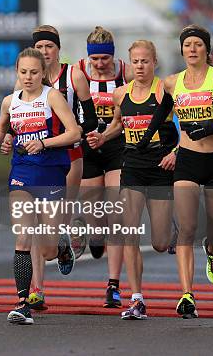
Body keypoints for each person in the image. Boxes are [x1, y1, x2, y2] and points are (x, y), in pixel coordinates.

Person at [138, 24, 213, 318]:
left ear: (206, 50)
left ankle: (212, 250)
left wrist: (211, 128)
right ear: (182, 49)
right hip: (187, 160)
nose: (192, 49)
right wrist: (146, 140)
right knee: (186, 229)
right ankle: (187, 294)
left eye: (198, 44)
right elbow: (161, 113)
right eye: (187, 44)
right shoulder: (172, 83)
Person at [0, 48, 81, 325]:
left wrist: (44, 143)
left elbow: (75, 133)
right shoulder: (10, 101)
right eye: (23, 72)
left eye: (34, 72)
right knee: (23, 236)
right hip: (22, 172)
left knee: (47, 250)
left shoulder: (53, 97)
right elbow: (2, 127)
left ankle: (60, 246)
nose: (28, 77)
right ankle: (23, 303)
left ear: (42, 74)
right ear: (17, 72)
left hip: (51, 171)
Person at [2, 25, 97, 310]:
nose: (45, 52)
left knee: (50, 237)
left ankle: (62, 243)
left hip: (69, 152)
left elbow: (89, 119)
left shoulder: (73, 75)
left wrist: (62, 137)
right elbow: (11, 121)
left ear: (57, 50)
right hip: (29, 162)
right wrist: (7, 138)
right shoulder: (24, 81)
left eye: (49, 47)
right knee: (28, 229)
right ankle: (36, 290)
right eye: (40, 47)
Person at [87, 40, 178, 320]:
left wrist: (175, 152)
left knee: (160, 243)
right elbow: (118, 124)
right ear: (130, 63)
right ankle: (137, 298)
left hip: (161, 166)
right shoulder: (120, 94)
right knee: (129, 233)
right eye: (135, 61)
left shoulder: (165, 90)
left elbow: (184, 125)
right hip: (133, 167)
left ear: (155, 63)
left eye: (145, 61)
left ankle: (170, 232)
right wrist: (104, 136)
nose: (140, 66)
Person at [76, 26, 132, 308]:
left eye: (104, 59)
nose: (99, 64)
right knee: (94, 213)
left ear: (113, 56)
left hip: (117, 147)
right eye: (95, 59)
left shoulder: (126, 72)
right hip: (88, 148)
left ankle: (113, 285)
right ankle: (94, 233)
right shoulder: (78, 73)